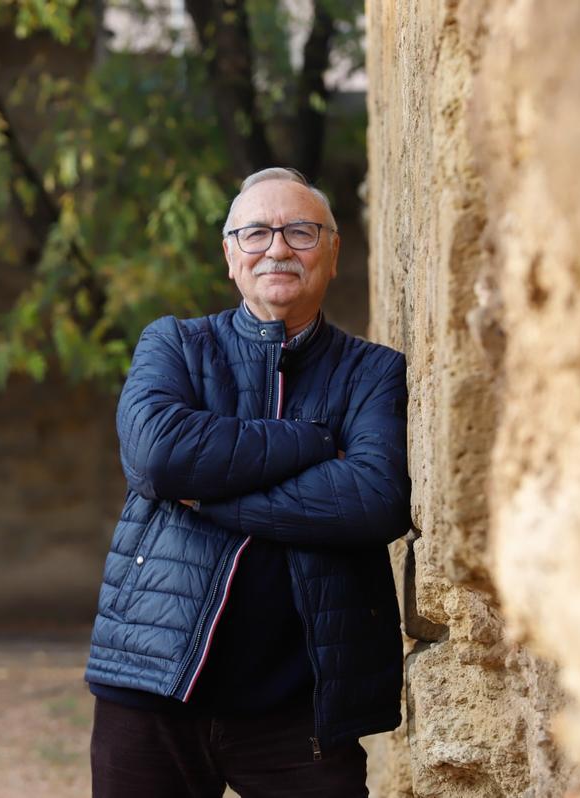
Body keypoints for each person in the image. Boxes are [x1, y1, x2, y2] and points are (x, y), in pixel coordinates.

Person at [85, 167, 411, 797]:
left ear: (333, 253)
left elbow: (374, 500)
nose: (279, 247)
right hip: (153, 684)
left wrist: (207, 491)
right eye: (257, 232)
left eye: (301, 231)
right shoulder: (175, 345)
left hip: (303, 703)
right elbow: (157, 459)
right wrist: (315, 440)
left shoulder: (373, 373)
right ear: (231, 255)